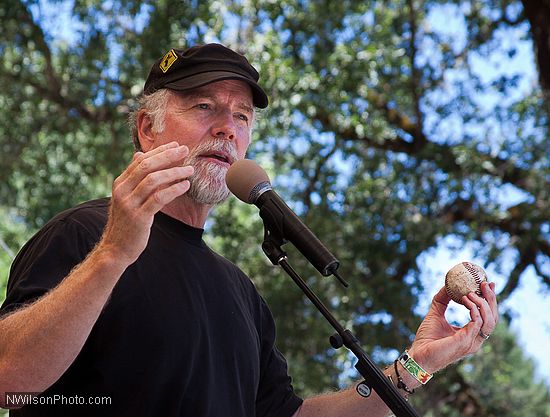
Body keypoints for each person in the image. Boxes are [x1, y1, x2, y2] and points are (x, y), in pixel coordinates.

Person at [0, 43, 499, 417]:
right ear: (147, 128)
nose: (228, 128)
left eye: (242, 116)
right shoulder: (83, 233)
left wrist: (416, 365)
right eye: (204, 108)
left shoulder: (240, 290)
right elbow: (9, 381)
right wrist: (112, 254)